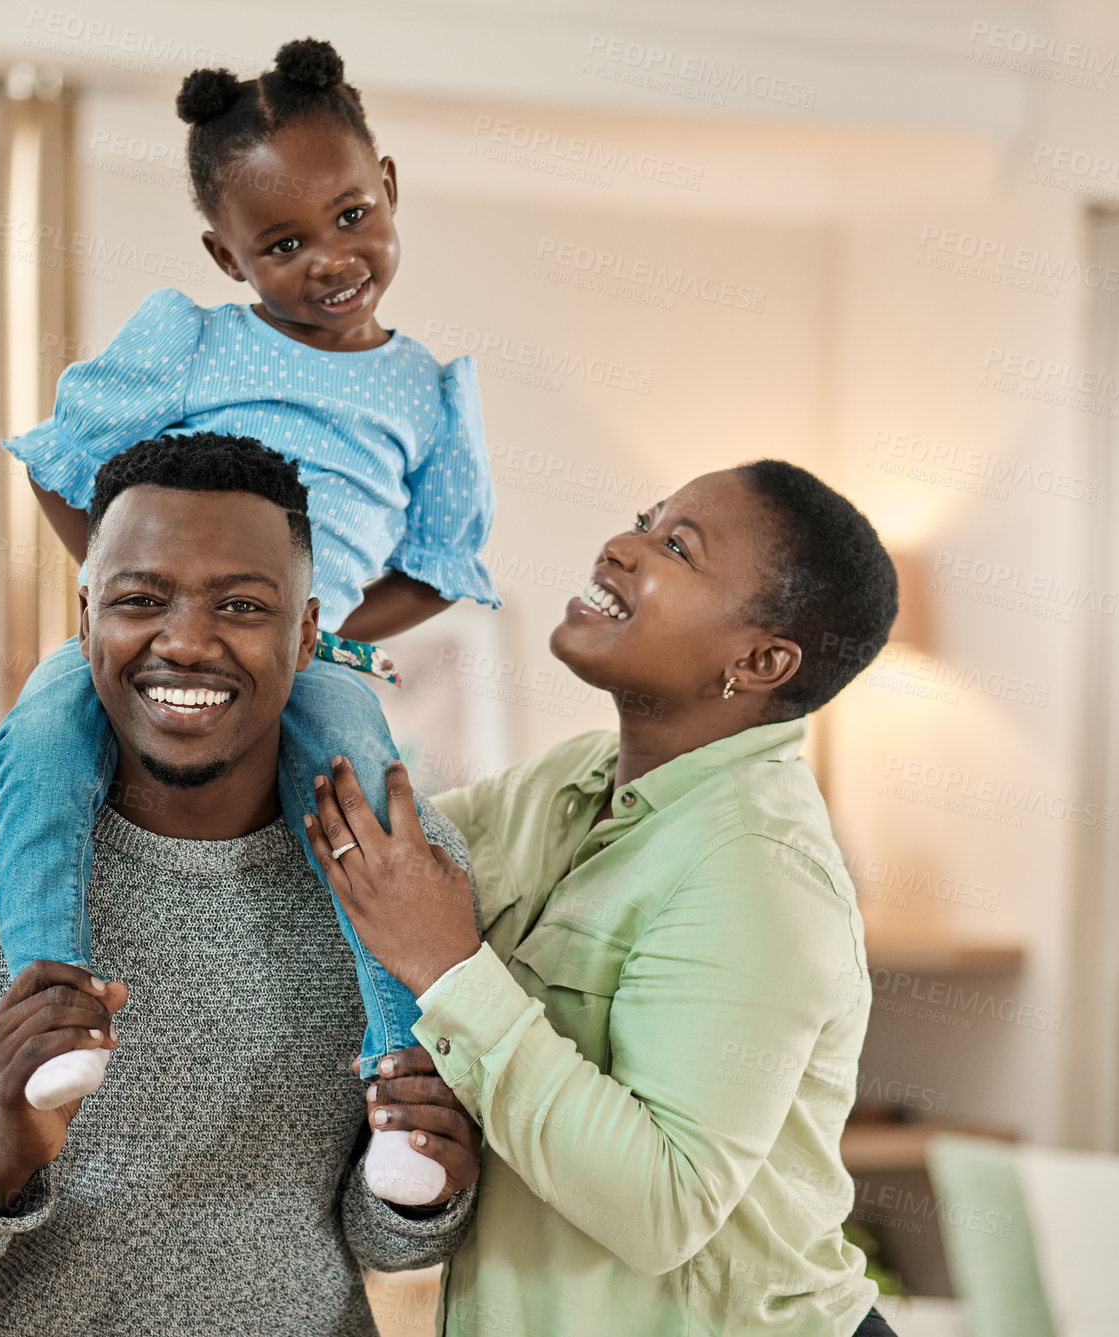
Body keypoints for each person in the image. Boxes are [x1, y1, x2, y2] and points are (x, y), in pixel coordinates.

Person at [0, 434, 483, 1336]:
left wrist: (431, 1191)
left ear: (307, 634)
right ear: (84, 621)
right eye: (141, 599)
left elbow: (394, 1235)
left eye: (241, 603)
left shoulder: (405, 868)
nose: (185, 641)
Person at [0, 38, 497, 1202]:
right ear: (228, 253)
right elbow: (58, 465)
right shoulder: (193, 343)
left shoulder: (427, 391)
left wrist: (304, 629)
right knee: (40, 728)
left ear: (389, 186)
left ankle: (399, 1079)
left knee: (364, 790)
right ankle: (53, 993)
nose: (330, 260)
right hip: (163, 641)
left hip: (300, 660)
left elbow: (439, 566)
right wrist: (141, 605)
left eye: (351, 215)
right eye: (282, 244)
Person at [302, 461, 904, 1335]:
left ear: (761, 659)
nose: (620, 546)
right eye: (643, 519)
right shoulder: (570, 779)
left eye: (676, 547)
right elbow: (369, 857)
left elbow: (663, 1207)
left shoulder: (758, 871)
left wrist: (445, 967)